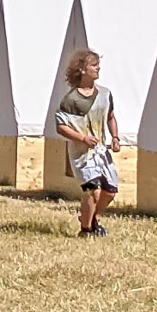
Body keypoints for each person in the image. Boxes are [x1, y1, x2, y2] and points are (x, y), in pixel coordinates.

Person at [55, 46, 121, 237]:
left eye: (98, 65)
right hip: (82, 155)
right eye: (94, 65)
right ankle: (86, 230)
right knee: (93, 191)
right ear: (82, 70)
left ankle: (90, 218)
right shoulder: (71, 100)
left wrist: (115, 137)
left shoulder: (105, 94)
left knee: (109, 192)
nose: (98, 68)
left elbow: (110, 117)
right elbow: (61, 126)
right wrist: (82, 138)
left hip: (101, 152)